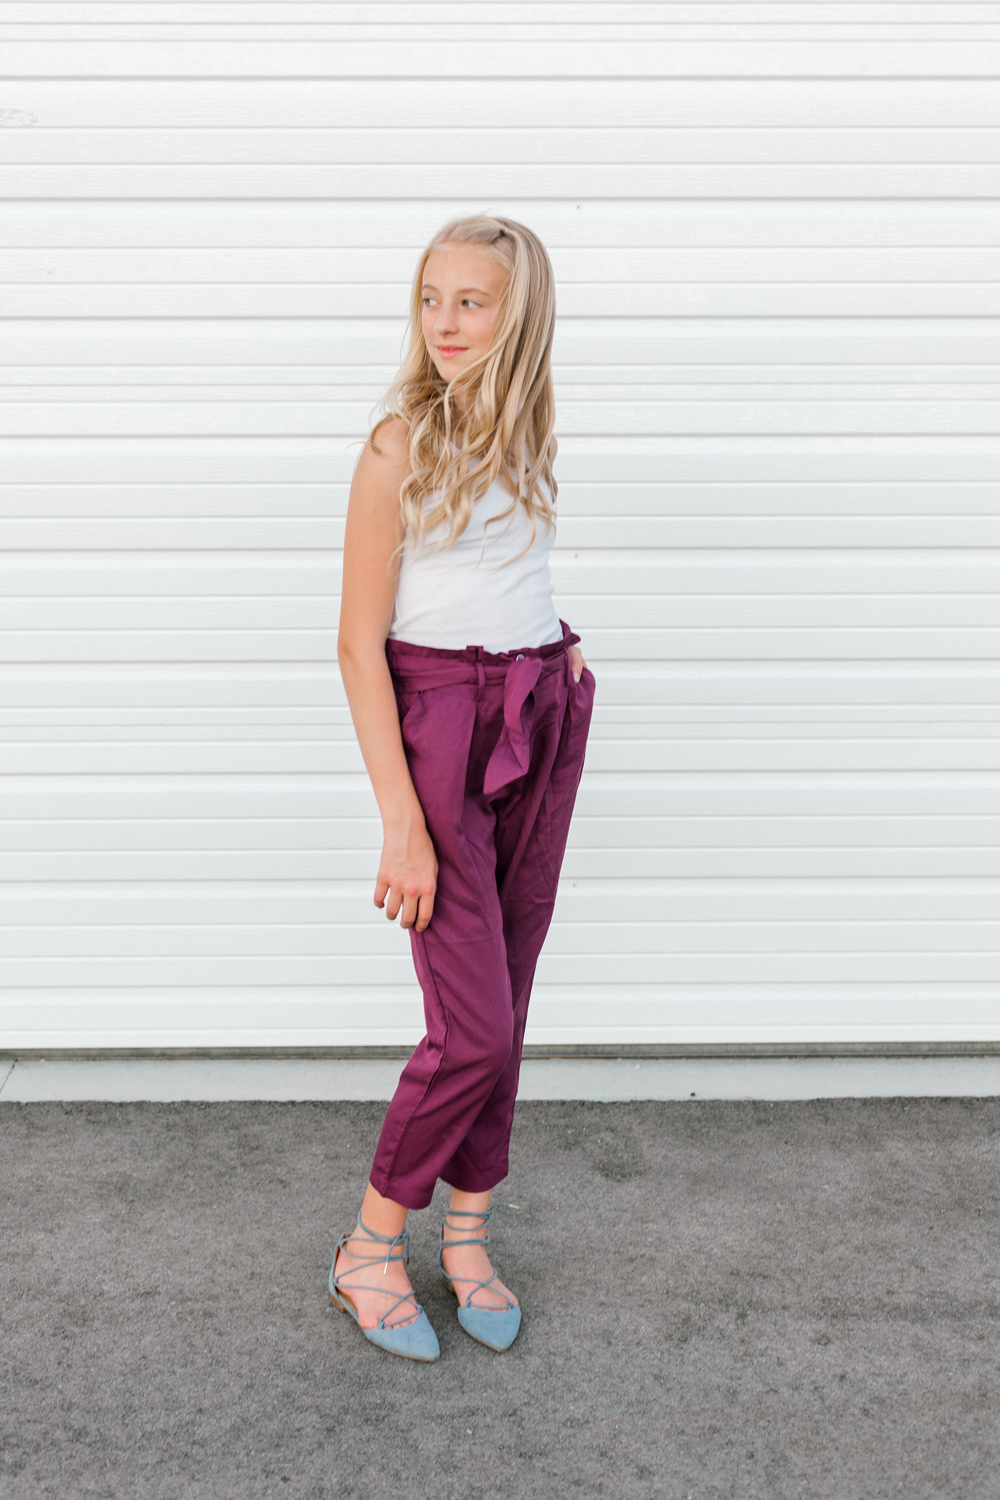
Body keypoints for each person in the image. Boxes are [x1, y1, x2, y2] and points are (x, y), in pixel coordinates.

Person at [330, 214, 595, 1360]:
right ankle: (369, 1244)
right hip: (440, 726)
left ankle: (470, 1236)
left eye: (470, 301)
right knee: (471, 1027)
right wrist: (402, 821)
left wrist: (557, 651)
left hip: (538, 705)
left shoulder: (529, 435)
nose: (444, 322)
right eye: (431, 298)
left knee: (509, 998)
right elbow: (358, 644)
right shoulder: (399, 444)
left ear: (517, 314)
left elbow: (502, 574)